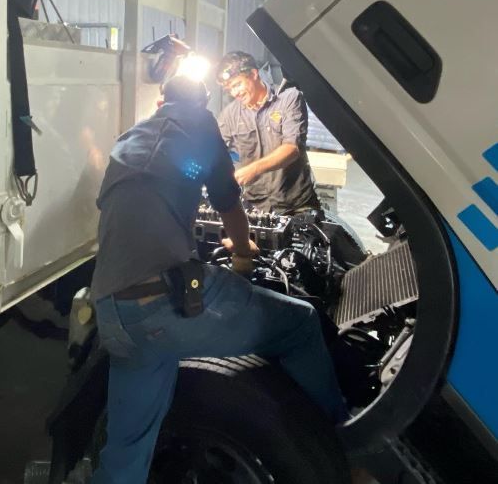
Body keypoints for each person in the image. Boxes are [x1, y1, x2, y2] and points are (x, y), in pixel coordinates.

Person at [90, 75, 347, 484]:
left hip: (113, 309)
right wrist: (243, 255)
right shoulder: (200, 123)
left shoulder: (130, 137)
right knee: (300, 323)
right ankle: (345, 443)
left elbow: (156, 192)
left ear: (162, 101)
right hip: (164, 303)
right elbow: (228, 205)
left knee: (126, 451)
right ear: (204, 102)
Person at [216, 50, 320, 214]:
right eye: (229, 89)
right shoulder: (229, 115)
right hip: (256, 209)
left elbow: (292, 149)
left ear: (253, 74)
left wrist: (253, 169)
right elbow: (214, 150)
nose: (234, 93)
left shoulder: (289, 99)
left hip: (297, 206)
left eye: (237, 85)